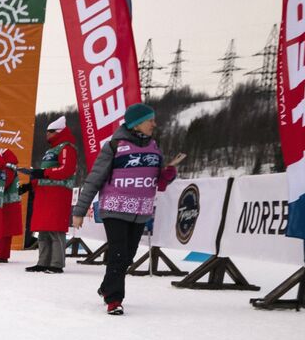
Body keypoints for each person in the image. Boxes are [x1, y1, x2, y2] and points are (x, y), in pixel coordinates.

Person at [72, 103, 186, 314]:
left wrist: (168, 173)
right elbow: (95, 178)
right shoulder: (114, 146)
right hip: (114, 208)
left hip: (140, 211)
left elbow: (158, 182)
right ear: (137, 123)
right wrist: (79, 211)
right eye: (150, 120)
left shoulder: (154, 146)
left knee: (128, 255)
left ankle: (107, 287)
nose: (154, 124)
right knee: (118, 253)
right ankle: (114, 299)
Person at [23, 116, 78, 273]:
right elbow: (44, 174)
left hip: (58, 194)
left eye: (50, 132)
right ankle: (43, 261)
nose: (47, 135)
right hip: (45, 193)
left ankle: (56, 263)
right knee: (43, 229)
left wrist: (41, 172)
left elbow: (65, 170)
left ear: (59, 132)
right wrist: (31, 183)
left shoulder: (67, 148)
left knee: (55, 229)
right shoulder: (51, 150)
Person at [0, 152, 23, 263]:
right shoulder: (12, 168)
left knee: (4, 230)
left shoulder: (8, 169)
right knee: (6, 231)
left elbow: (3, 183)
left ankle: (1, 254)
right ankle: (2, 254)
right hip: (12, 203)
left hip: (7, 204)